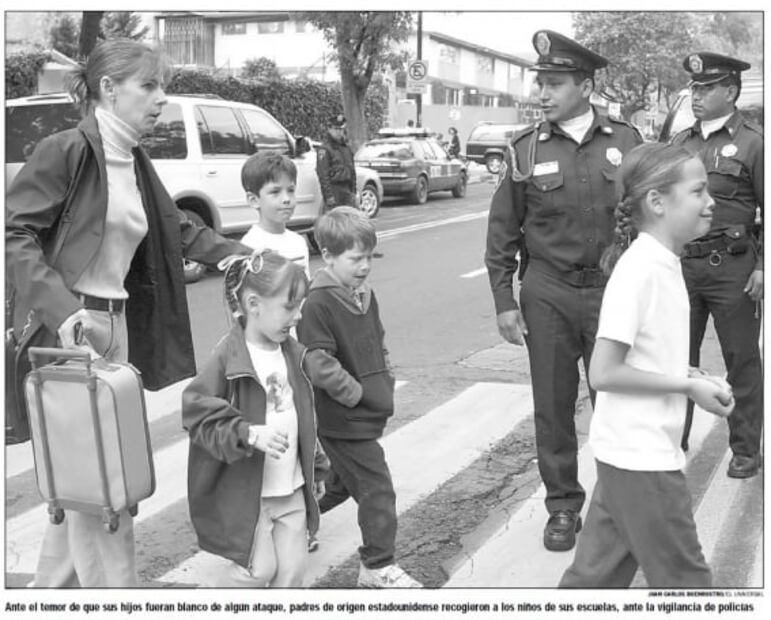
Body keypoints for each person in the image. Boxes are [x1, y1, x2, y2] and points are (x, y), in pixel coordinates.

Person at [5, 39, 251, 588]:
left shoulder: (133, 159)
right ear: (109, 89)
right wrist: (63, 310)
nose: (162, 98)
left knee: (82, 485)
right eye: (149, 86)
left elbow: (174, 227)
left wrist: (238, 255)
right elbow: (14, 234)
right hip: (70, 334)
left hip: (114, 330)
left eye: (163, 86)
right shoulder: (66, 150)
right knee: (104, 485)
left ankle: (47, 596)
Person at [485, 30, 643, 552]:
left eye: (554, 83)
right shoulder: (525, 149)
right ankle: (562, 506)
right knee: (552, 406)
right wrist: (505, 302)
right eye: (541, 83)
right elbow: (502, 232)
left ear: (586, 86)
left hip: (612, 292)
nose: (543, 93)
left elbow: (650, 218)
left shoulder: (627, 142)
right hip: (548, 292)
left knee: (616, 403)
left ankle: (620, 504)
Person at [559, 143, 735, 588]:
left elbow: (646, 355)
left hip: (628, 452)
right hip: (643, 459)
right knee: (687, 586)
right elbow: (603, 372)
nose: (710, 201)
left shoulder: (662, 262)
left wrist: (689, 375)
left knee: (594, 584)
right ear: (657, 201)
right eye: (697, 191)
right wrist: (686, 387)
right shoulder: (641, 271)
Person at [182, 251, 328, 587]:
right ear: (253, 304)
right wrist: (247, 433)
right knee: (260, 570)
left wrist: (317, 467)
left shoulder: (293, 353)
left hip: (291, 485)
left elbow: (303, 416)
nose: (298, 316)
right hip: (249, 494)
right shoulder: (228, 357)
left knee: (292, 572)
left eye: (300, 306)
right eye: (289, 307)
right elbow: (196, 411)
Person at [296, 207, 421, 588]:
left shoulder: (365, 294)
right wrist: (357, 394)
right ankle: (377, 565)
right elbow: (317, 361)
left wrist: (386, 375)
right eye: (355, 259)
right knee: (377, 490)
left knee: (338, 485)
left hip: (366, 410)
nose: (365, 266)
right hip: (343, 419)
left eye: (369, 257)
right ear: (328, 255)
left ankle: (287, 524)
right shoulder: (318, 303)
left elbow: (377, 341)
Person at [670, 53, 763, 479]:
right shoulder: (679, 143)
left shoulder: (754, 143)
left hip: (733, 267)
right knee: (675, 358)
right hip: (682, 267)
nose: (697, 95)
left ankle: (745, 449)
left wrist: (763, 266)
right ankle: (674, 439)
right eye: (695, 88)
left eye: (707, 88)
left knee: (741, 359)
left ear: (730, 91)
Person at [240, 152, 310, 277]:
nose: (286, 199)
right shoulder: (250, 246)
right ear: (254, 200)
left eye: (291, 190)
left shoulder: (298, 241)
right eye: (275, 192)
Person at [316, 114, 357, 211]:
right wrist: (328, 196)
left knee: (349, 218)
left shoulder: (346, 148)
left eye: (341, 129)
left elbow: (352, 170)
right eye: (336, 129)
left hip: (347, 190)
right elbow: (323, 174)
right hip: (334, 190)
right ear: (329, 129)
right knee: (334, 218)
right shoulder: (325, 149)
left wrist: (354, 191)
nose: (339, 132)